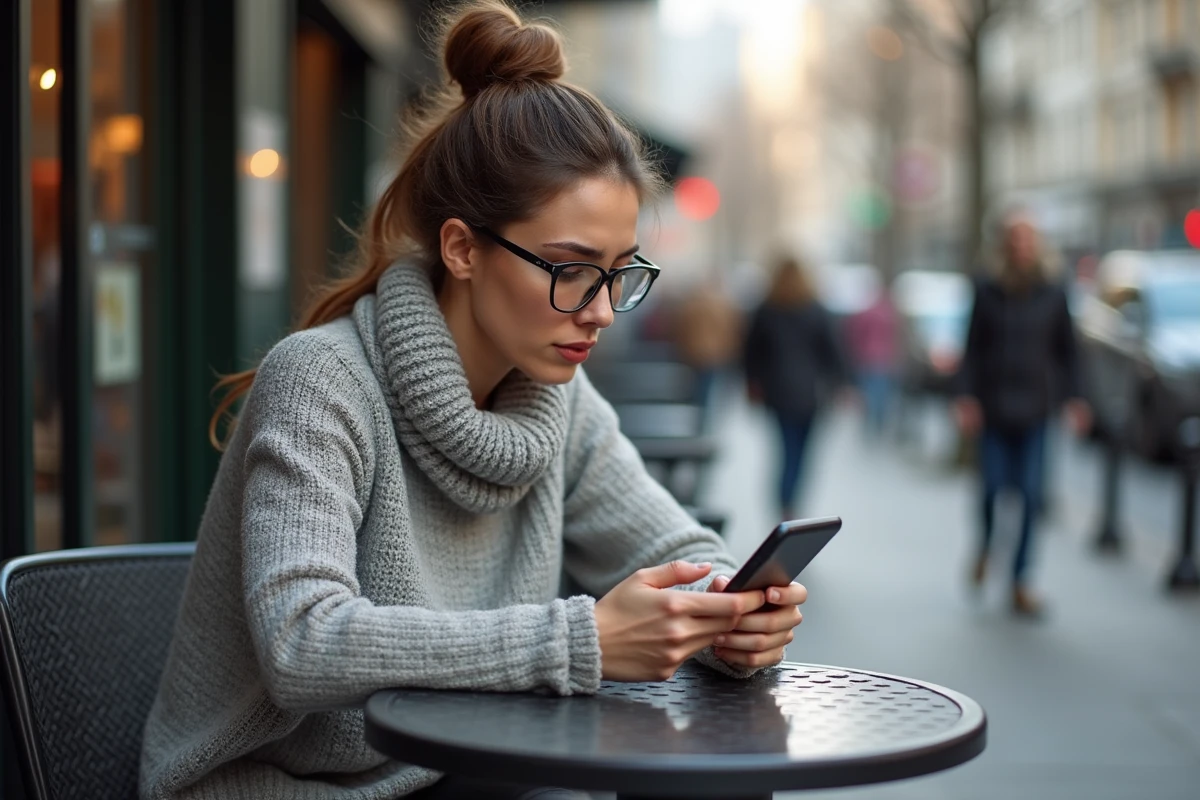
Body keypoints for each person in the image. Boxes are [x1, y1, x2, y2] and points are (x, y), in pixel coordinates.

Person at [139, 4, 808, 799]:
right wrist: (581, 638)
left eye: (620, 271)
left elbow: (676, 546)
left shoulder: (558, 396)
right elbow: (304, 642)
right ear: (461, 248)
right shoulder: (321, 380)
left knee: (715, 783)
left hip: (458, 770)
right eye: (570, 268)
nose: (598, 309)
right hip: (274, 787)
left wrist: (729, 616)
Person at [952, 210, 1091, 618]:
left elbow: (1069, 350)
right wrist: (965, 397)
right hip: (993, 408)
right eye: (1015, 238)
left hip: (1036, 410)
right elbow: (972, 346)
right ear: (1005, 243)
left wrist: (1077, 399)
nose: (1022, 245)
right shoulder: (987, 287)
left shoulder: (1053, 289)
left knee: (1031, 496)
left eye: (1028, 238)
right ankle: (985, 547)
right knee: (993, 489)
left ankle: (1021, 580)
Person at [743, 255, 848, 520]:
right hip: (810, 395)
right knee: (801, 457)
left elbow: (750, 354)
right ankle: (792, 505)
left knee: (785, 453)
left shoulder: (767, 310)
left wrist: (753, 383)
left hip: (777, 394)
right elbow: (833, 352)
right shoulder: (815, 309)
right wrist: (842, 384)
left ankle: (784, 507)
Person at [843, 285, 899, 439]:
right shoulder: (889, 314)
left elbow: (854, 336)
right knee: (881, 395)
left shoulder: (865, 313)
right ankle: (878, 425)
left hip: (866, 359)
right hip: (883, 361)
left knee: (868, 395)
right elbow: (895, 338)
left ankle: (869, 425)